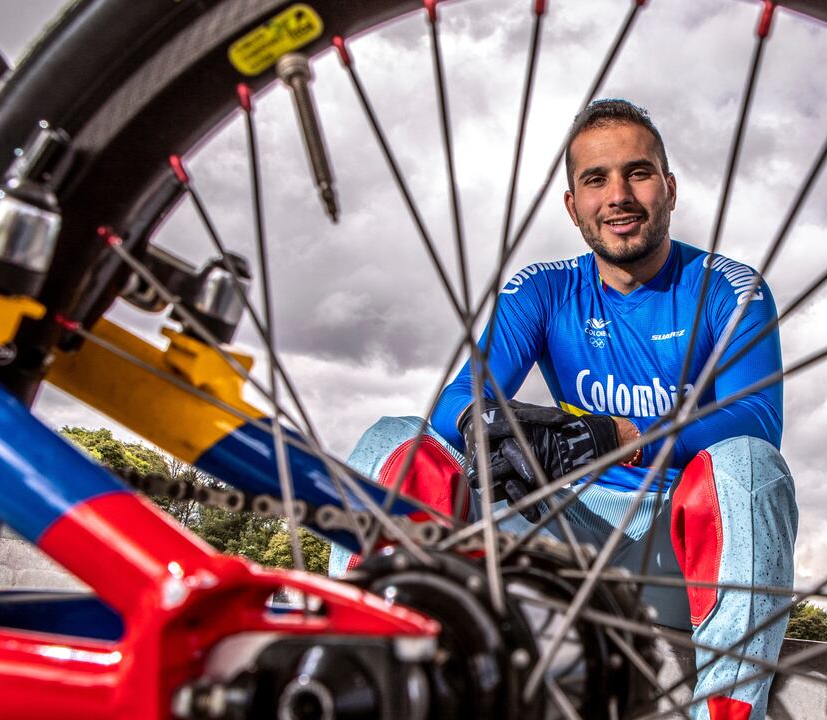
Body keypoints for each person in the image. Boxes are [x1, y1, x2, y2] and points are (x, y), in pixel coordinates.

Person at [329, 99, 797, 720]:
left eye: (638, 172)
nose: (618, 196)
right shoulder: (543, 287)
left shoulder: (729, 285)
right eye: (596, 179)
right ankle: (355, 681)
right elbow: (457, 402)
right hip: (563, 532)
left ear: (670, 188)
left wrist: (616, 436)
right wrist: (496, 426)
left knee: (750, 466)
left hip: (678, 542)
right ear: (573, 205)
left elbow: (756, 418)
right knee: (396, 439)